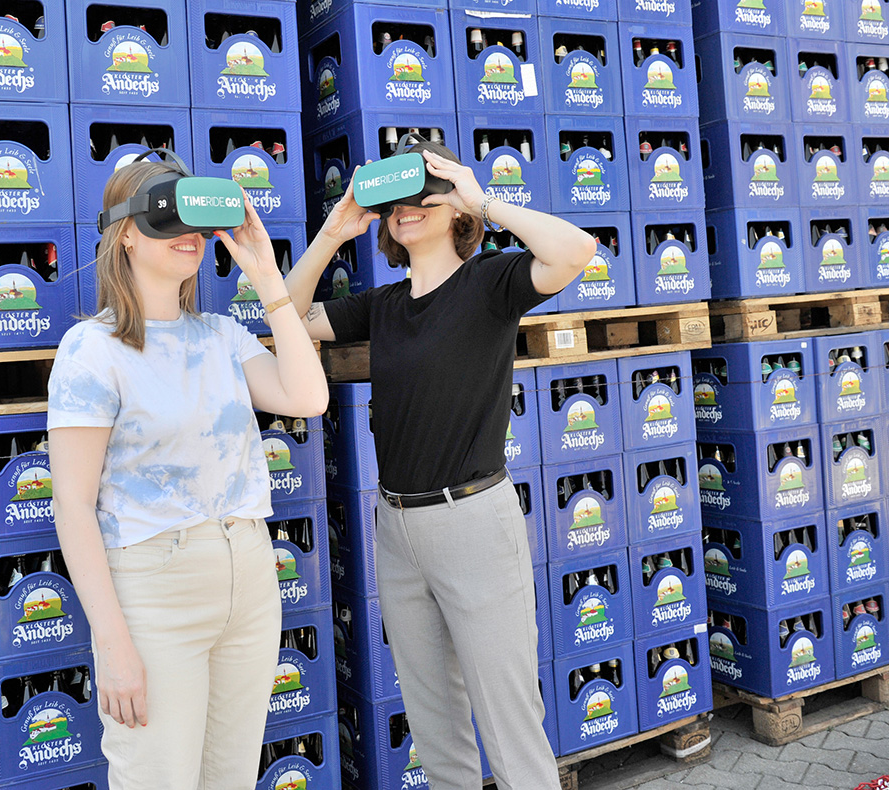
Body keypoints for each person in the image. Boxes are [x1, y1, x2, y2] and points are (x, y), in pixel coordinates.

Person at [285, 141, 596, 790]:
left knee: (511, 732)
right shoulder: (383, 306)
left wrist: (481, 197)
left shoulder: (491, 282)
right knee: (436, 735)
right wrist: (332, 233)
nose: (408, 208)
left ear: (454, 208)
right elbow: (288, 317)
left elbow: (575, 251)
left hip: (474, 521)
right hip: (397, 531)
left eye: (425, 193)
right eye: (396, 199)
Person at [46, 159, 329, 789]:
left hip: (248, 576)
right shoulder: (92, 350)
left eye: (199, 220)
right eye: (167, 214)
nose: (189, 232)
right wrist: (113, 645)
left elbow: (308, 397)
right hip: (154, 587)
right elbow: (72, 506)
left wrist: (265, 275)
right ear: (124, 232)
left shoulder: (223, 336)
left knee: (228, 778)